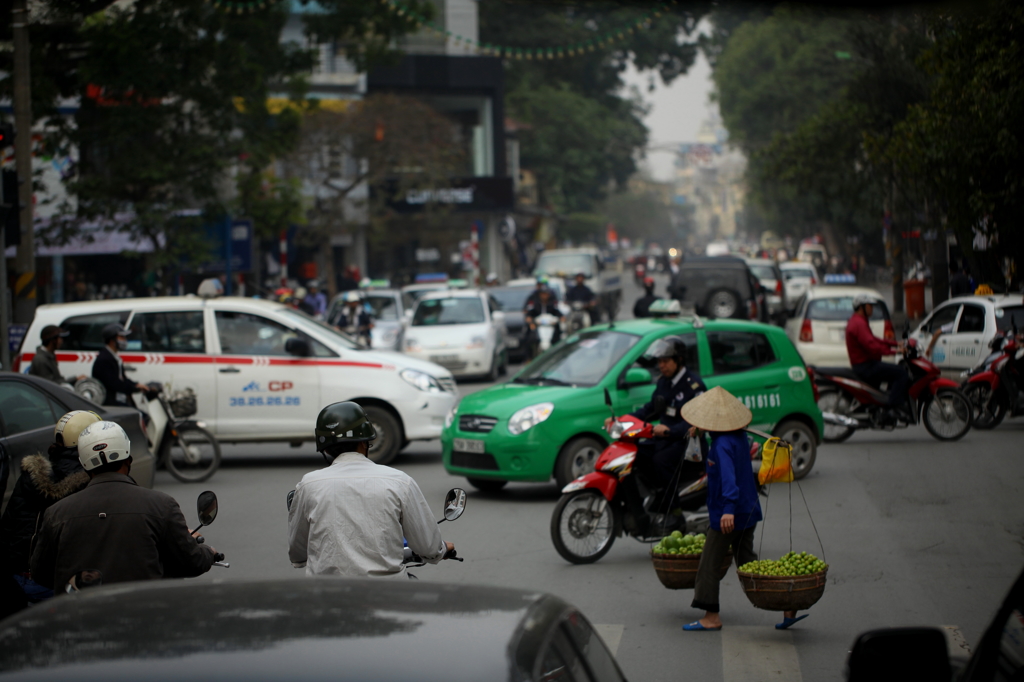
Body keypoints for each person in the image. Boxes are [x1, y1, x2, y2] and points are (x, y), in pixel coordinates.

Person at [30, 421, 217, 590]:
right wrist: (209, 552)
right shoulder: (161, 505)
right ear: (128, 458)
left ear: (85, 465)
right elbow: (192, 562)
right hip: (143, 614)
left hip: (78, 616)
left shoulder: (56, 513)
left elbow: (41, 574)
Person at [288, 402, 453, 578]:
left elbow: (297, 552)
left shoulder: (308, 485)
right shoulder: (399, 482)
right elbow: (428, 547)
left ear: (325, 448)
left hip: (327, 596)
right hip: (388, 594)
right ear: (365, 442)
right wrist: (441, 549)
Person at [678, 386, 795, 632]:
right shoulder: (738, 436)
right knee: (748, 565)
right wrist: (700, 431)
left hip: (729, 514)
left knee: (708, 564)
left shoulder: (720, 446)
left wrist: (727, 511)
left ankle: (711, 617)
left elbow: (729, 481)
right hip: (748, 510)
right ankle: (788, 601)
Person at [604, 335, 706, 535]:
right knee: (633, 455)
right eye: (659, 361)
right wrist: (620, 421)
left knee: (661, 461)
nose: (661, 365)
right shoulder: (663, 383)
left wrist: (670, 430)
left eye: (666, 361)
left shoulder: (694, 385)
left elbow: (698, 421)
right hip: (664, 439)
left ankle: (675, 513)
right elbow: (649, 409)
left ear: (679, 360)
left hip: (687, 442)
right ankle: (646, 502)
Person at [0, 411, 100, 604]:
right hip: (59, 584)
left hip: (17, 580)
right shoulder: (91, 481)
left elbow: (8, 528)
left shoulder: (30, 477)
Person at [845, 294, 908, 421]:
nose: (872, 309)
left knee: (893, 371)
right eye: (869, 306)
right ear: (862, 307)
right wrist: (896, 352)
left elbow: (874, 340)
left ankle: (885, 402)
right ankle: (893, 408)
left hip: (866, 364)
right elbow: (873, 346)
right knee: (901, 373)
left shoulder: (859, 321)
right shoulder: (859, 324)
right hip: (865, 366)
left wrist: (896, 344)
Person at [92, 324, 149, 408]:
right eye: (121, 337)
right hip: (110, 404)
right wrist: (133, 387)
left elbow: (122, 379)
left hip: (118, 400)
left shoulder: (114, 357)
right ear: (112, 340)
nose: (125, 340)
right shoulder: (104, 359)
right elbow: (115, 383)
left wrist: (136, 384)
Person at [524, 286, 564, 354]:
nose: (544, 296)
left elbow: (559, 314)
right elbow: (529, 315)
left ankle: (558, 354)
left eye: (546, 294)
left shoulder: (552, 304)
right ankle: (530, 357)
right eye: (543, 294)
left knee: (558, 337)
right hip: (538, 326)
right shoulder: (535, 304)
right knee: (530, 339)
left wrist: (560, 319)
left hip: (550, 327)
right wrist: (531, 322)